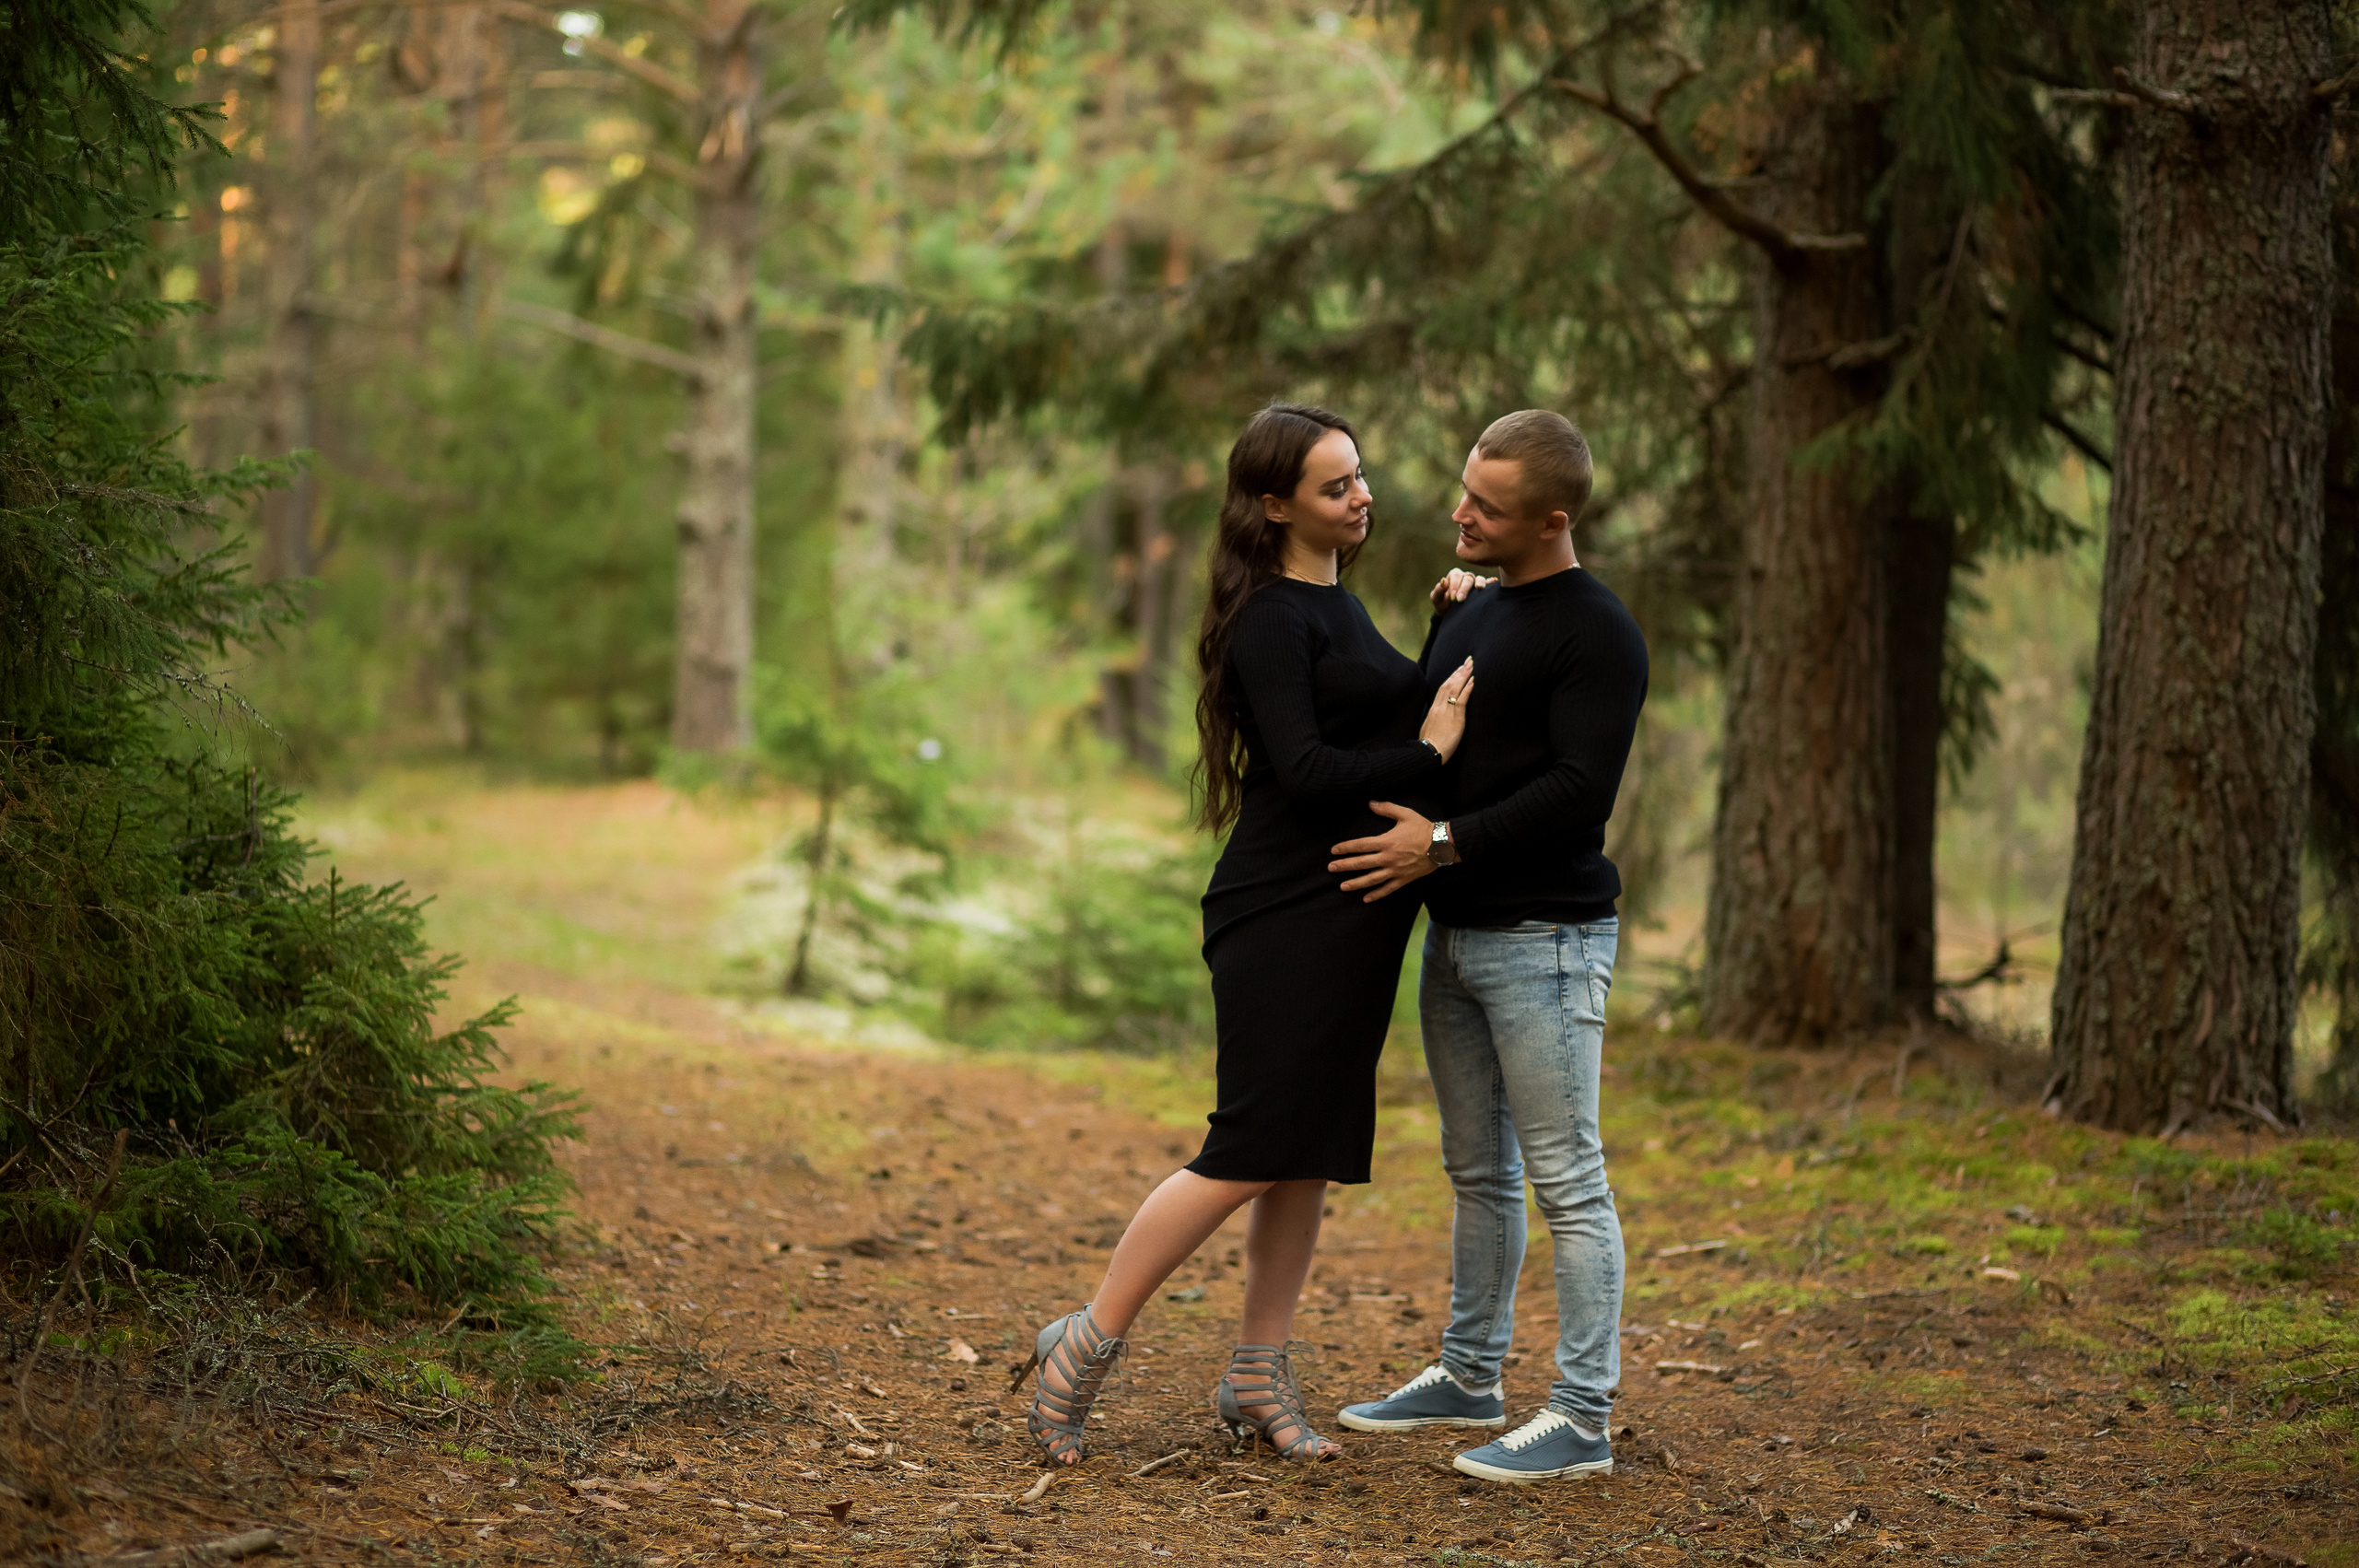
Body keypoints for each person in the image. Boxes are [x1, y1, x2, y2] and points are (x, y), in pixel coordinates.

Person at [1011, 402, 1478, 1467]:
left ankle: (1257, 1373)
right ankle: (1083, 1342)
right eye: (1333, 486)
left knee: (1306, 1152)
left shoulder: (1339, 607)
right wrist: (1431, 752)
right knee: (1249, 1148)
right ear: (1274, 505)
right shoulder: (1275, 616)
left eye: (1358, 476)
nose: (1360, 495)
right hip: (1282, 911)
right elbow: (1310, 772)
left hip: (1356, 914)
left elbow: (1389, 711)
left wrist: (1449, 624)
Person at [1326, 408, 1649, 1484]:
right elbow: (1449, 743)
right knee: (1478, 1171)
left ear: (1551, 520)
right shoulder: (1470, 610)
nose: (1459, 512)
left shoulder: (1597, 632)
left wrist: (1443, 845)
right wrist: (1459, 611)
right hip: (1455, 937)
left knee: (1567, 1178)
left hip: (1546, 942)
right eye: (1465, 489)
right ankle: (1470, 1372)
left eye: (1487, 506)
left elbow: (1576, 790)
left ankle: (1583, 1417)